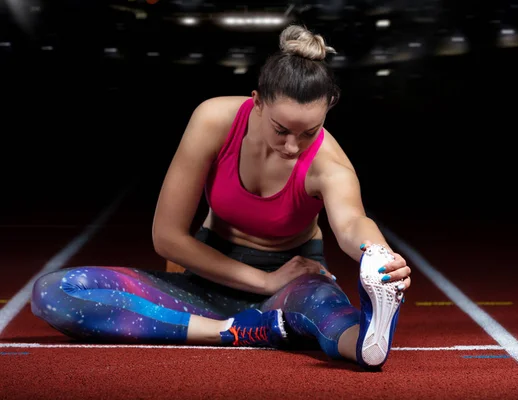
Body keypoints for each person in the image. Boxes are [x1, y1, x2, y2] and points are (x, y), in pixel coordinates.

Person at [30, 24, 412, 369]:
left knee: (329, 313)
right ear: (257, 101)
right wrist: (262, 283)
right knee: (54, 292)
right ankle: (231, 331)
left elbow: (350, 222)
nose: (293, 147)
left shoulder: (330, 164)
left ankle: (365, 342)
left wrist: (377, 257)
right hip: (206, 278)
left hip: (291, 286)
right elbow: (167, 237)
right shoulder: (213, 120)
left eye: (308, 132)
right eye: (281, 130)